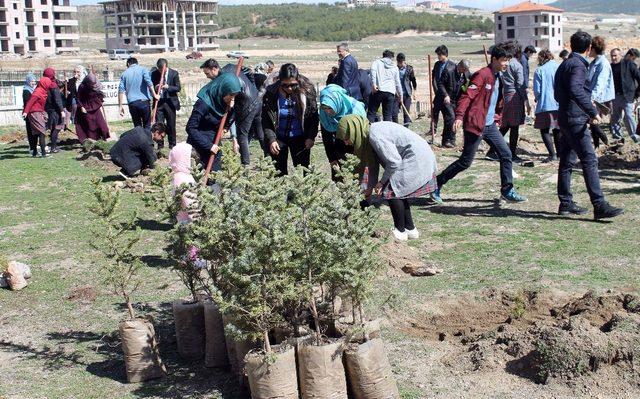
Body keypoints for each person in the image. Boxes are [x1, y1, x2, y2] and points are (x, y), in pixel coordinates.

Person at [432, 43, 527, 204]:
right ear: (495, 59)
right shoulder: (482, 75)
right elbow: (466, 96)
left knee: (506, 154)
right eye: (504, 60)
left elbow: (496, 101)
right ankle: (436, 185)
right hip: (475, 124)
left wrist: (497, 116)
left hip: (489, 125)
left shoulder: (498, 77)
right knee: (465, 162)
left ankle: (507, 190)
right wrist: (460, 116)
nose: (506, 64)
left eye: (508, 60)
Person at [554, 31, 623, 220]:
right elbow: (576, 89)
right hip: (575, 118)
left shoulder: (566, 63)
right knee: (590, 159)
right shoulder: (578, 65)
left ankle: (566, 203)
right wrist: (592, 112)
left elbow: (559, 92)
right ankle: (599, 205)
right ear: (589, 48)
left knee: (567, 161)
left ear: (571, 45)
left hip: (566, 117)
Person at [337, 115, 438, 241]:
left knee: (391, 189)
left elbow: (394, 161)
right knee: (399, 191)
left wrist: (382, 182)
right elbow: (372, 165)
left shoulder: (375, 136)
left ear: (354, 130)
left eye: (347, 138)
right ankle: (410, 229)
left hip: (417, 158)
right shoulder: (368, 134)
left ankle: (400, 231)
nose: (346, 142)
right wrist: (370, 187)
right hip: (415, 157)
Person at [262, 63, 319, 175]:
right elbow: (266, 119)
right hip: (278, 138)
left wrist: (310, 137)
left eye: (293, 85)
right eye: (285, 85)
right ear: (280, 81)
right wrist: (271, 139)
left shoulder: (307, 90)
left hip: (300, 138)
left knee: (302, 172)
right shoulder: (271, 93)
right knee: (277, 173)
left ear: (297, 80)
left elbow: (313, 116)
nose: (289, 88)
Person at [186, 73, 244, 170]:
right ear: (223, 90)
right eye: (231, 95)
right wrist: (209, 146)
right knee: (199, 178)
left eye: (235, 95)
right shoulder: (203, 103)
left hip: (215, 143)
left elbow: (230, 119)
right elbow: (190, 128)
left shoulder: (225, 102)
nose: (233, 99)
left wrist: (226, 126)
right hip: (199, 146)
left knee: (215, 176)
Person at [319, 84, 367, 180]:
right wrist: (332, 159)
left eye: (330, 108)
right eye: (325, 108)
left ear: (337, 101)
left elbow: (363, 136)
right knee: (339, 181)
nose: (328, 112)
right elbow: (326, 137)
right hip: (338, 149)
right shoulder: (324, 114)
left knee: (357, 181)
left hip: (357, 148)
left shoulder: (355, 109)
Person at [494, 43, 527, 162]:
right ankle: (512, 153)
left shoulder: (505, 64)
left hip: (506, 95)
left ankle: (492, 150)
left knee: (506, 125)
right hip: (515, 96)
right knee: (514, 127)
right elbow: (520, 84)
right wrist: (525, 100)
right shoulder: (516, 65)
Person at [22, 68, 58, 158]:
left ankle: (35, 153)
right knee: (42, 132)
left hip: (38, 112)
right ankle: (43, 154)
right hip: (34, 113)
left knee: (38, 133)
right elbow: (30, 102)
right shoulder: (38, 92)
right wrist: (25, 112)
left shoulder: (43, 91)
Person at [533, 49, 560, 162]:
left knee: (544, 130)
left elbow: (537, 91)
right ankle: (560, 154)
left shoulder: (539, 70)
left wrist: (537, 98)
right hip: (558, 104)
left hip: (545, 104)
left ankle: (552, 154)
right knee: (557, 129)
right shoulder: (559, 67)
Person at [588, 36, 615, 148]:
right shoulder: (594, 62)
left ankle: (605, 144)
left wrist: (591, 98)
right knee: (593, 122)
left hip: (599, 98)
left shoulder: (602, 63)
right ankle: (597, 146)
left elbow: (600, 84)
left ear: (593, 49)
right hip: (595, 97)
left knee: (594, 122)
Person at [437, 59, 472, 147]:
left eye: (466, 70)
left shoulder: (466, 73)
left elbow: (471, 81)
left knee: (455, 119)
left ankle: (452, 141)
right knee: (451, 117)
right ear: (459, 66)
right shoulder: (448, 71)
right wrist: (445, 95)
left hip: (458, 99)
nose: (465, 71)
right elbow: (440, 84)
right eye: (464, 69)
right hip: (447, 99)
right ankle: (446, 140)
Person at [118, 57, 159, 129]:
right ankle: (146, 140)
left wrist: (120, 106)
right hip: (144, 102)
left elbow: (121, 90)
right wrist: (154, 95)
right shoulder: (143, 69)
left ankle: (139, 139)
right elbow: (149, 83)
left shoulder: (124, 74)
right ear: (137, 63)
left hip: (132, 103)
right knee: (147, 125)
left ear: (128, 64)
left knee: (137, 126)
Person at [610, 48, 640, 143]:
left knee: (628, 116)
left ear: (621, 55)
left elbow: (638, 77)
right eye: (612, 56)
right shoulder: (610, 67)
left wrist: (636, 93)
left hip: (628, 96)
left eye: (615, 55)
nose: (613, 58)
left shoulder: (628, 64)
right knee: (615, 117)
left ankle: (635, 137)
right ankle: (617, 137)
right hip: (615, 96)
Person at [151, 58, 181, 150]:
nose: (161, 71)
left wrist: (168, 87)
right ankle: (160, 145)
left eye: (162, 69)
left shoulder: (174, 73)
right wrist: (156, 87)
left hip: (170, 102)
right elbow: (151, 86)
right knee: (159, 125)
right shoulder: (154, 74)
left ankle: (172, 145)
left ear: (166, 67)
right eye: (159, 69)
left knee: (171, 125)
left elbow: (178, 87)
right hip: (159, 103)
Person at [432, 45, 457, 147]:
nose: (438, 57)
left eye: (439, 55)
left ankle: (451, 139)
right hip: (439, 94)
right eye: (437, 55)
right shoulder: (437, 64)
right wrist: (436, 90)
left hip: (448, 96)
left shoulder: (452, 65)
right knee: (435, 114)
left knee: (450, 117)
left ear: (444, 54)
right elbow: (434, 78)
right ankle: (434, 133)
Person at [368, 50, 402, 123]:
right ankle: (386, 133)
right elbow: (397, 82)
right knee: (387, 116)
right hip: (390, 92)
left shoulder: (376, 63)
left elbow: (372, 73)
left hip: (378, 90)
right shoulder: (394, 66)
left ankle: (369, 131)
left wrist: (373, 84)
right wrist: (400, 95)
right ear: (391, 57)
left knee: (372, 113)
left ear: (383, 56)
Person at [75, 73, 110, 143]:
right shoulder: (82, 86)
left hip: (95, 106)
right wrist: (81, 107)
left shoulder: (96, 84)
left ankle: (104, 137)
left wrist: (100, 99)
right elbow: (78, 98)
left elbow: (98, 93)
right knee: (90, 125)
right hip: (86, 108)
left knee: (102, 124)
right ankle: (92, 141)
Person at [169, 142, 196, 224]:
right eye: (191, 159)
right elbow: (190, 203)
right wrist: (198, 220)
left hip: (183, 220)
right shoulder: (183, 179)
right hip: (190, 221)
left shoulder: (177, 175)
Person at [393, 53, 417, 128]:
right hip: (396, 94)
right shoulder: (394, 69)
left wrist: (414, 92)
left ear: (404, 61)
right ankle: (396, 128)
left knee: (406, 114)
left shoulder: (409, 69)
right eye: (399, 63)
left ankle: (406, 129)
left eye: (402, 62)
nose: (400, 64)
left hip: (406, 94)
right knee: (394, 113)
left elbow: (413, 81)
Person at [45, 77, 65, 153]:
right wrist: (61, 111)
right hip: (55, 112)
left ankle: (53, 146)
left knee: (54, 129)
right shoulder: (55, 91)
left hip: (50, 111)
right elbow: (58, 101)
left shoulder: (49, 90)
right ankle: (53, 148)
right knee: (56, 129)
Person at [22, 74, 37, 156]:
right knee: (30, 132)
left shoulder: (33, 89)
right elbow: (27, 103)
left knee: (34, 131)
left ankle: (34, 148)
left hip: (33, 113)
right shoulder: (26, 91)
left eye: (34, 81)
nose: (33, 83)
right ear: (28, 81)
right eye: (31, 81)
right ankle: (32, 148)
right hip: (28, 113)